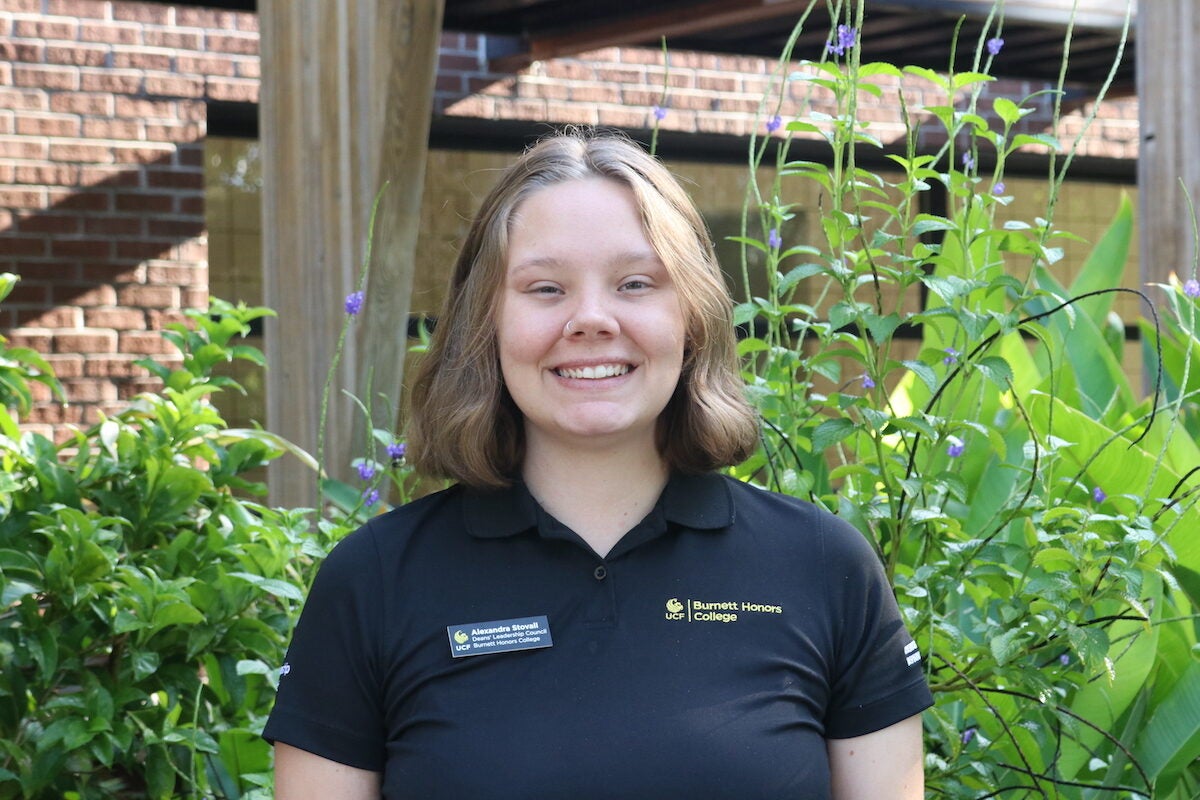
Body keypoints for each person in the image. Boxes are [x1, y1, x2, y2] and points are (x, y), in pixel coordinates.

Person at [264, 130, 933, 799]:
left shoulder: (823, 567)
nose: (590, 319)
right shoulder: (374, 581)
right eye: (545, 287)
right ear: (485, 324)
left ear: (692, 317)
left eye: (635, 283)